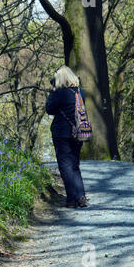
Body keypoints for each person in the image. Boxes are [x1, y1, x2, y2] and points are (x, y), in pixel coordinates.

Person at [46, 66, 88, 208]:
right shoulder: (80, 92)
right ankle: (81, 196)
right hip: (79, 132)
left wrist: (52, 93)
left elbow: (49, 109)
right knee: (75, 165)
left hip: (62, 133)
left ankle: (71, 199)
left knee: (65, 166)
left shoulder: (59, 93)